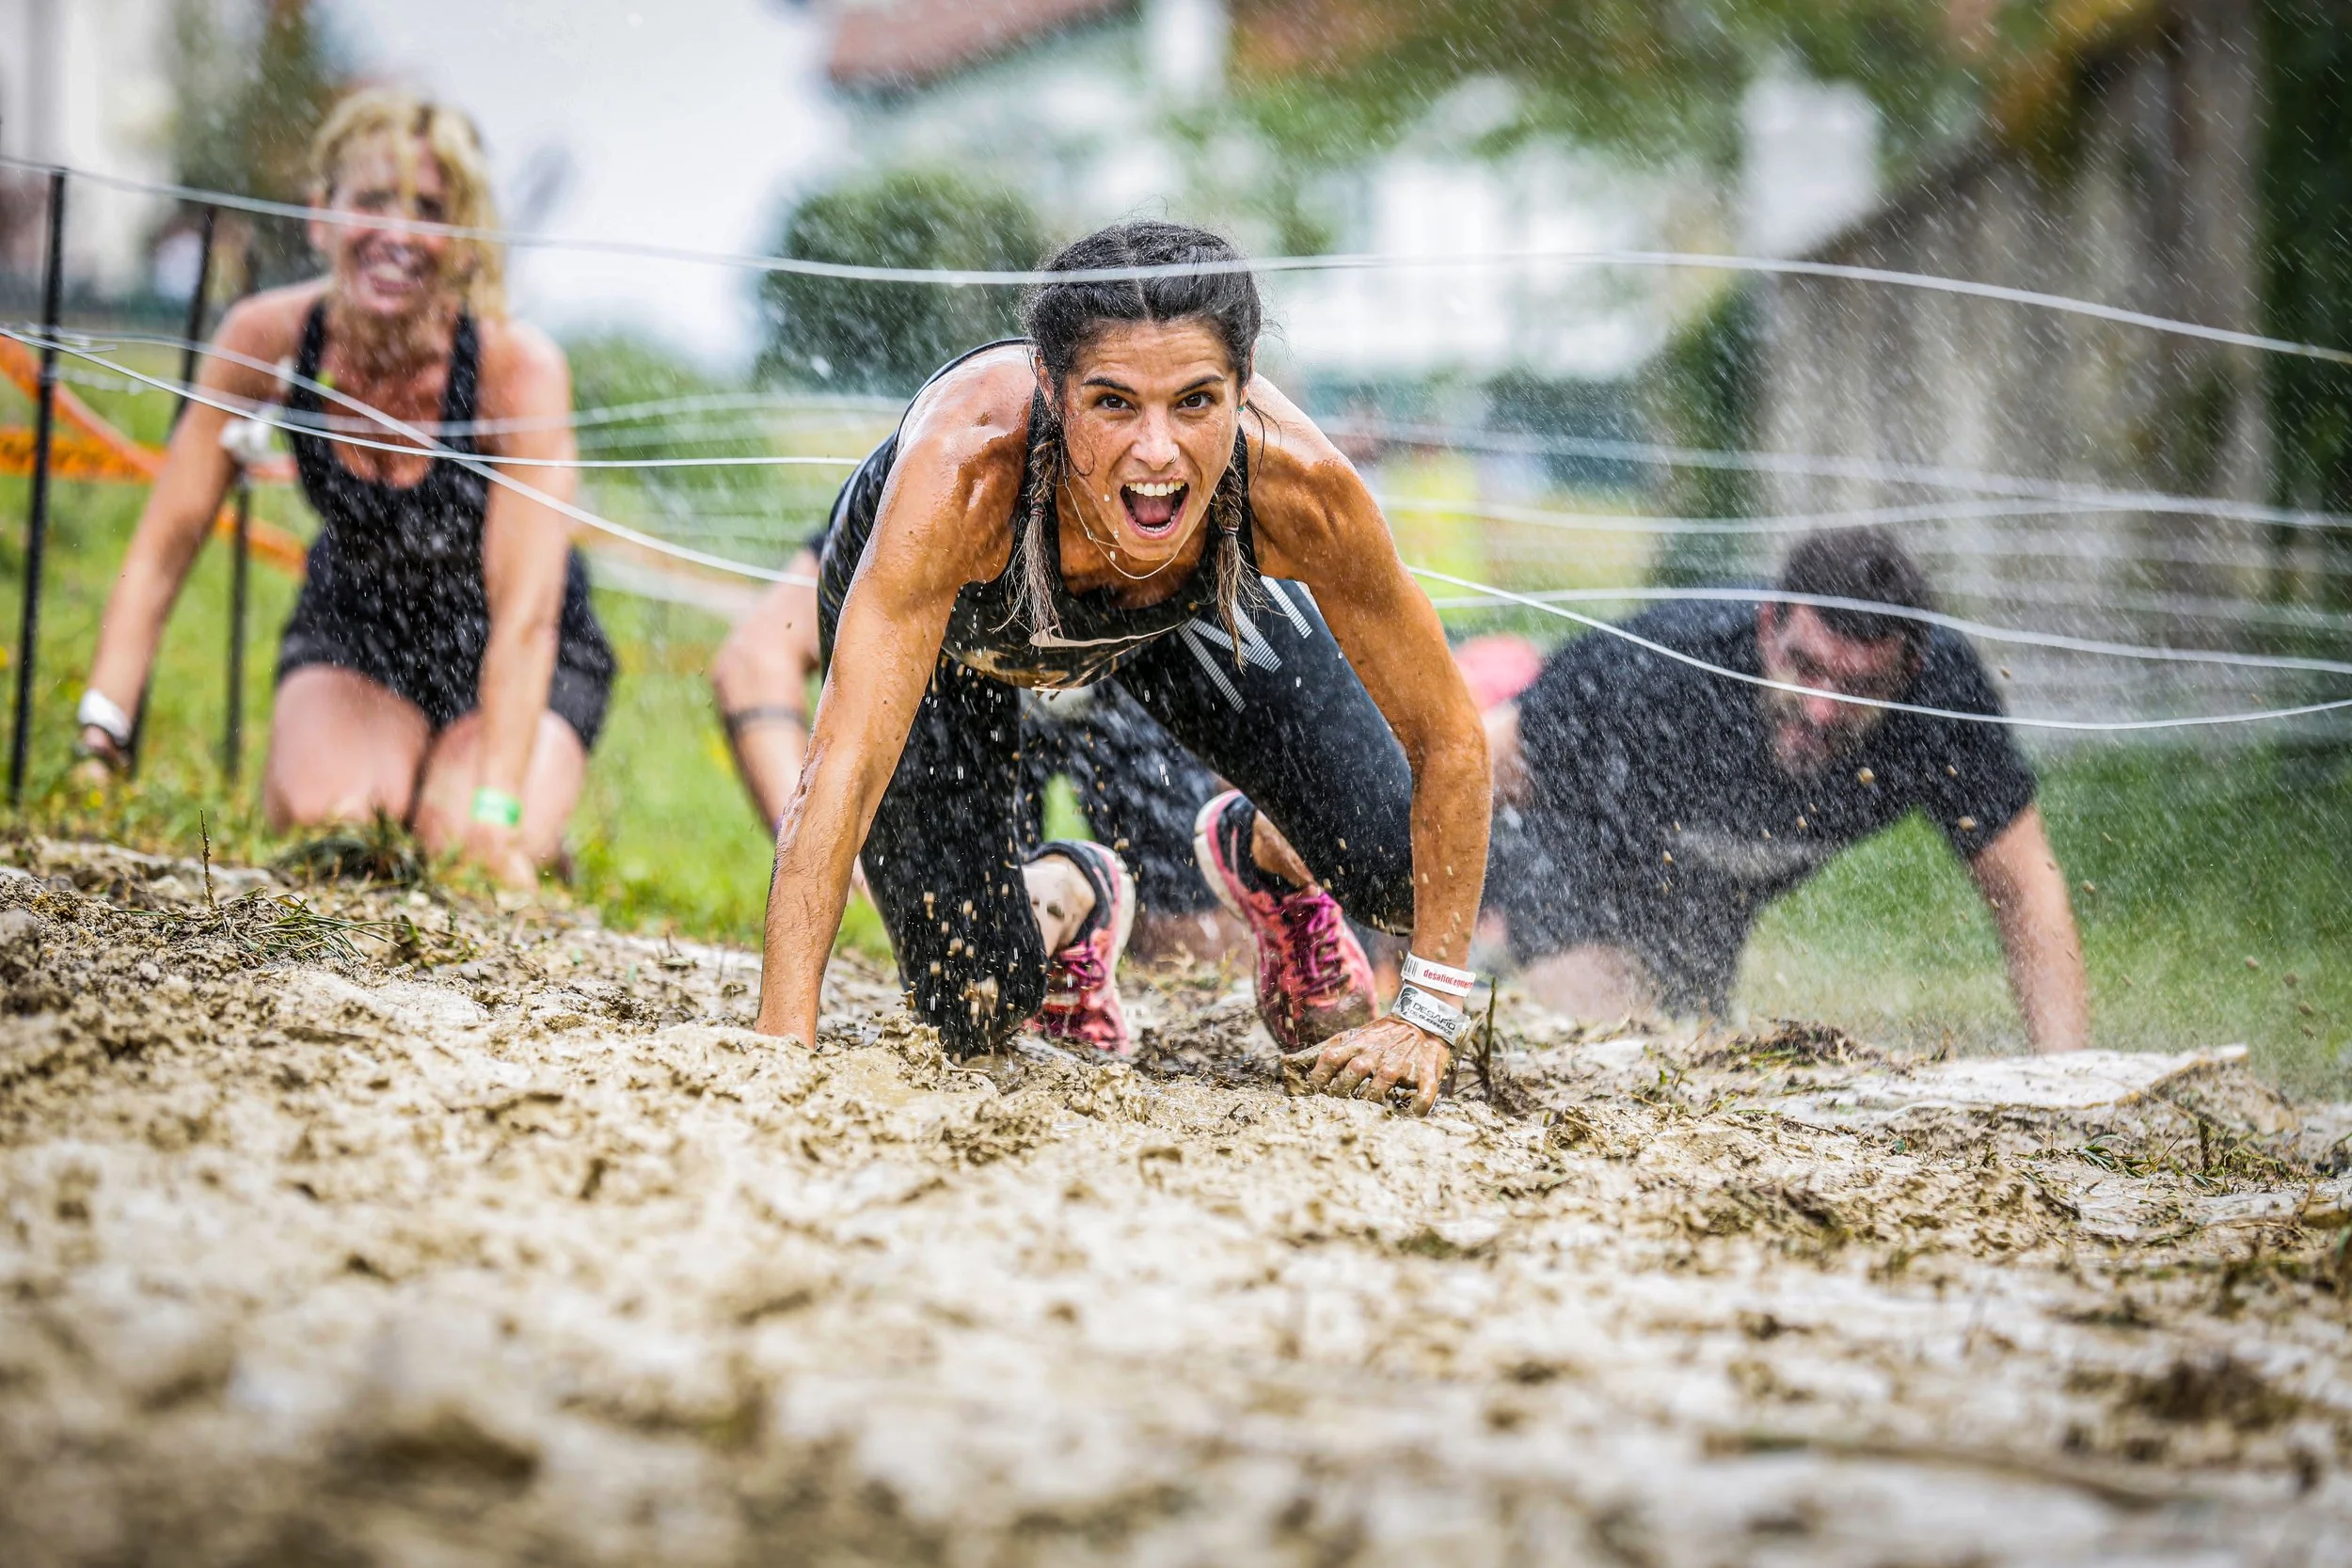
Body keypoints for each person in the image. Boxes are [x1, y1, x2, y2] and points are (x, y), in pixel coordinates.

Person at [754, 220, 1490, 1114]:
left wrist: (1429, 1013)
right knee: (975, 999)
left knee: (1400, 871)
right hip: (961, 629)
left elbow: (1449, 736)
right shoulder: (963, 477)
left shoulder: (1299, 489)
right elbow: (843, 770)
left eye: (1194, 402)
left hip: (1180, 606)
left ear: (1244, 386)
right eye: (1113, 403)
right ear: (1053, 389)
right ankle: (1075, 894)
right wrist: (779, 1055)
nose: (1156, 453)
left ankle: (1271, 857)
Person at [73, 88, 613, 887]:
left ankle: (513, 816)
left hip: (517, 643)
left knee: (463, 843)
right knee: (340, 832)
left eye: (429, 209)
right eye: (372, 201)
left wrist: (498, 811)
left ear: (466, 242)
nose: (397, 234)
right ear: (320, 215)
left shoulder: (516, 370)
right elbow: (163, 548)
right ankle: (411, 779)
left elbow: (525, 618)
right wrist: (99, 737)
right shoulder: (263, 337)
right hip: (361, 627)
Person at [1482, 528, 2089, 1053]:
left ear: (1907, 673)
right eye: (1806, 666)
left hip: (1709, 898)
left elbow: (2026, 890)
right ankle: (1481, 959)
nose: (1822, 710)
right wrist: (1391, 933)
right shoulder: (1658, 668)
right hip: (1567, 856)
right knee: (1622, 1055)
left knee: (1695, 1062)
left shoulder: (1944, 709)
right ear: (1769, 627)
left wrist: (2064, 1077)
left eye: (1857, 687)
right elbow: (1464, 766)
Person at [711, 534, 1243, 964]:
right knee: (976, 946)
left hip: (1130, 697)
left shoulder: (1169, 507)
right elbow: (755, 659)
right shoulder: (937, 487)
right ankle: (1062, 905)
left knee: (1193, 942)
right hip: (975, 696)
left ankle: (1097, 921)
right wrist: (814, 834)